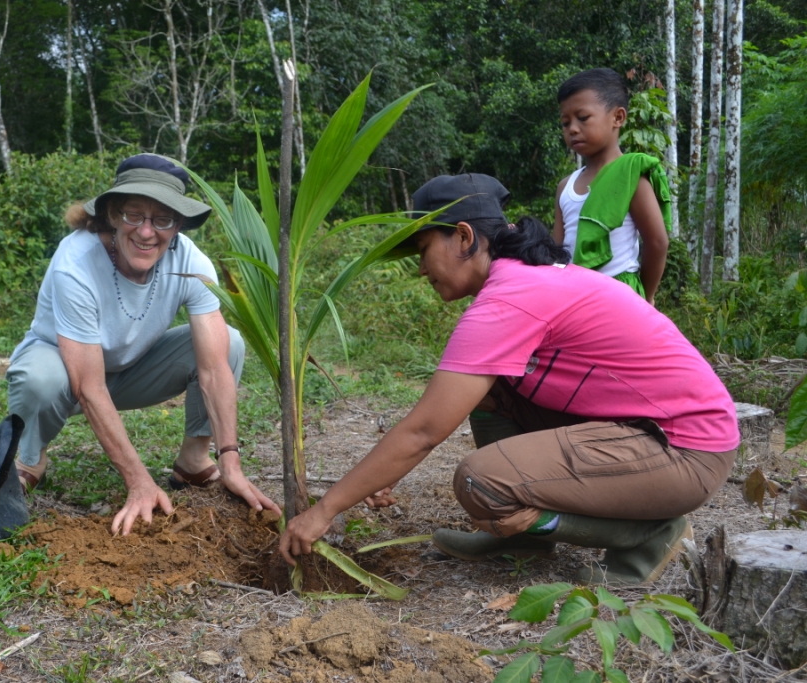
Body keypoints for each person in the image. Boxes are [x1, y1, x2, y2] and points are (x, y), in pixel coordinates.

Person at [278, 173, 738, 586]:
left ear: (463, 237)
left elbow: (422, 432)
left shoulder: (510, 299)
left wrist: (324, 510)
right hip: (649, 434)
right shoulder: (523, 279)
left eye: (423, 251)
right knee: (489, 390)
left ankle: (651, 534)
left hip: (683, 452)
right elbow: (438, 409)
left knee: (482, 483)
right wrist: (376, 473)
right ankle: (525, 539)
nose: (420, 269)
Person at [6, 154, 279, 536]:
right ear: (113, 215)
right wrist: (139, 481)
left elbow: (215, 369)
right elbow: (88, 385)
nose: (146, 232)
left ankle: (194, 461)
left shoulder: (190, 262)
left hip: (131, 369)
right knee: (39, 378)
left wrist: (231, 462)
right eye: (134, 215)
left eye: (162, 219)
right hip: (67, 373)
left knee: (228, 342)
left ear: (178, 225)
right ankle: (31, 461)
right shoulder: (76, 263)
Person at [553, 68, 670, 305]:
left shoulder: (630, 176)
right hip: (572, 300)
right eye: (566, 123)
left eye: (583, 118)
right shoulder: (565, 187)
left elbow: (657, 242)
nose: (572, 129)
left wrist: (645, 296)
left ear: (618, 118)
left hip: (618, 298)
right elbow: (557, 251)